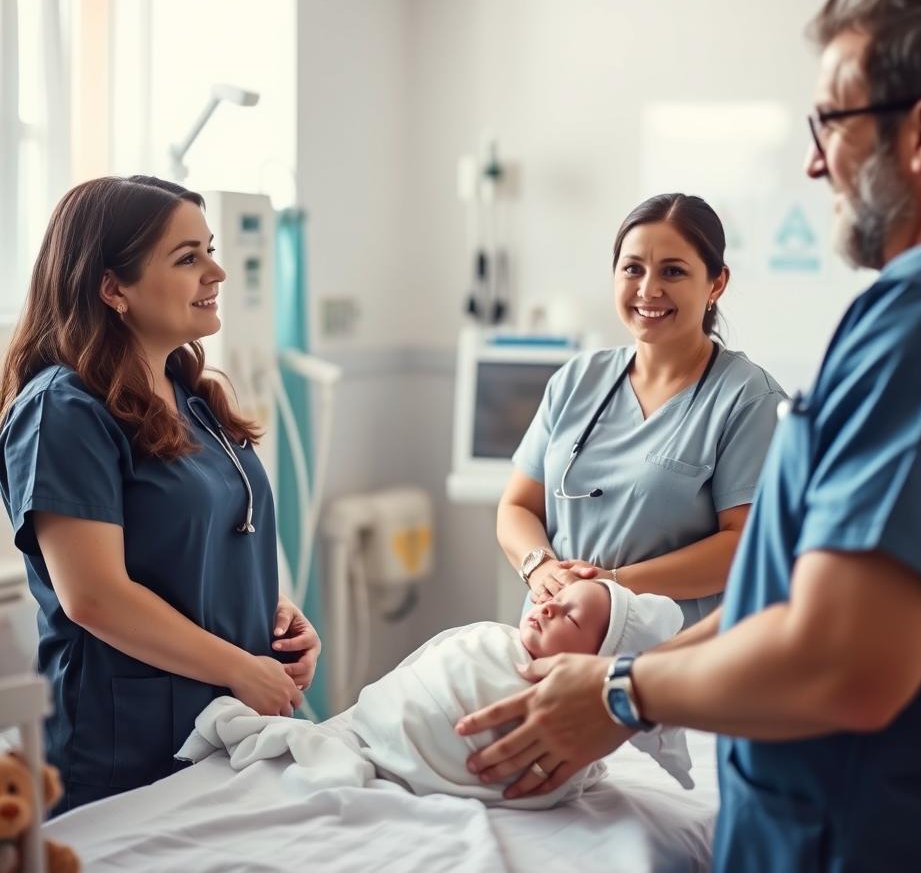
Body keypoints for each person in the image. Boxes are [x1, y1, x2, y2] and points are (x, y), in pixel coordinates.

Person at [455, 0, 921, 871]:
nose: (812, 161)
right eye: (631, 268)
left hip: (870, 828)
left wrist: (622, 691)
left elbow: (847, 659)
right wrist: (609, 666)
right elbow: (799, 589)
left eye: (829, 126)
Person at [0, 176, 321, 812]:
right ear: (112, 288)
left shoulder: (189, 393)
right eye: (188, 258)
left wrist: (276, 618)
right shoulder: (62, 411)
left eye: (210, 249)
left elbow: (198, 542)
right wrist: (237, 666)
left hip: (228, 730)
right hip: (129, 750)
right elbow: (94, 596)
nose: (218, 271)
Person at [500, 193, 786, 627]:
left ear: (716, 283)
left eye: (672, 271)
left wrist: (612, 584)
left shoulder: (748, 399)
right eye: (633, 268)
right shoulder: (577, 379)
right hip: (549, 642)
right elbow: (518, 506)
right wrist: (539, 567)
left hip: (663, 660)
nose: (648, 289)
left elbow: (745, 545)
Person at [178, 578, 695, 809]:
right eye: (554, 598)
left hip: (413, 757)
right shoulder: (496, 640)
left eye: (573, 616)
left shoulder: (562, 708)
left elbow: (548, 770)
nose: (549, 608)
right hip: (371, 730)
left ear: (595, 661)